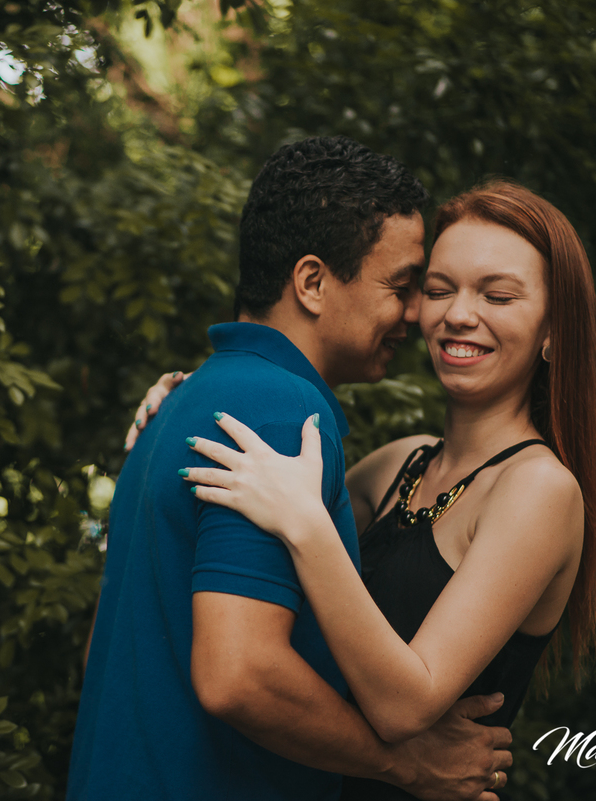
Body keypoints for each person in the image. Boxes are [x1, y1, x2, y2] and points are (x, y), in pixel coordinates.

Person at [68, 136, 514, 801]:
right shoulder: (279, 406)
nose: (417, 312)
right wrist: (403, 763)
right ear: (311, 282)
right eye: (401, 286)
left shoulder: (187, 402)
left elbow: (104, 654)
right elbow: (239, 673)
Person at [157, 180, 596, 799]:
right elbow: (249, 557)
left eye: (497, 295)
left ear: (553, 330)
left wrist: (307, 526)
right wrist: (180, 409)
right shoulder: (400, 464)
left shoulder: (541, 490)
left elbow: (406, 703)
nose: (457, 314)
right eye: (439, 289)